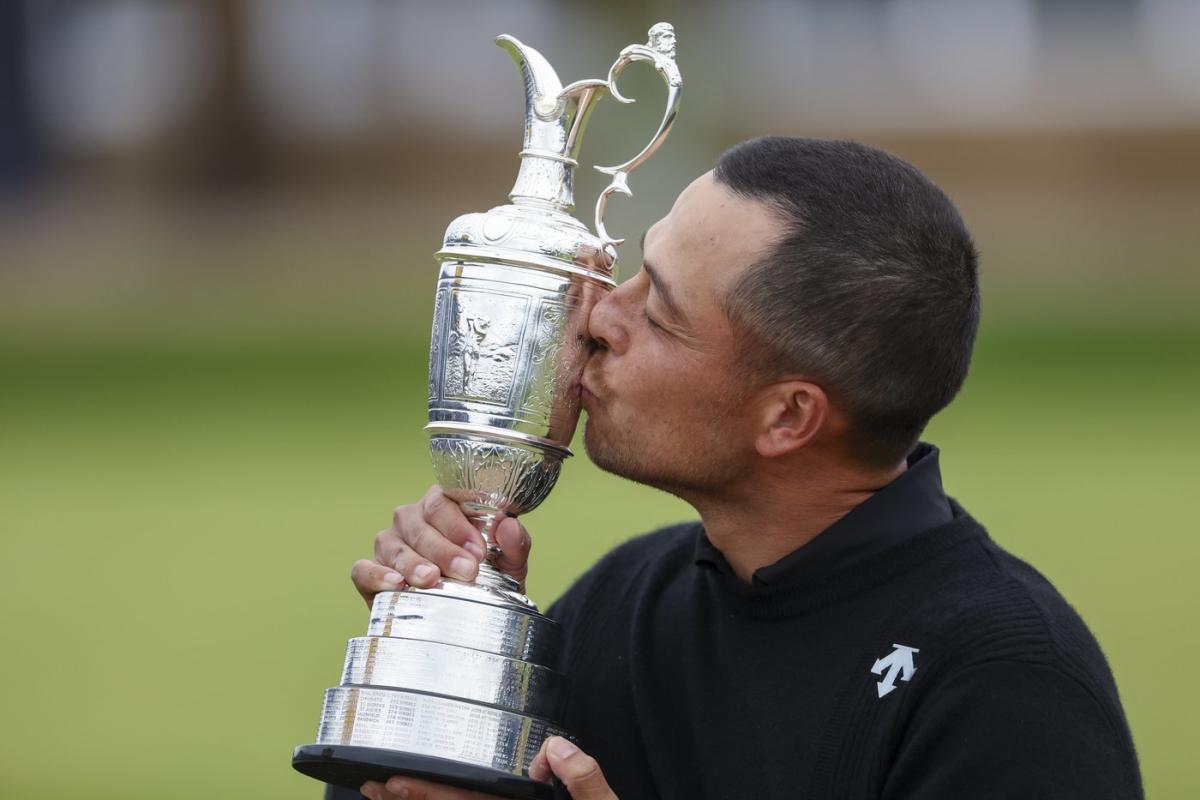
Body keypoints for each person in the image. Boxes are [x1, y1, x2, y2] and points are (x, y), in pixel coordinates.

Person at [348, 138, 1143, 799]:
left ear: (789, 417)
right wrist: (436, 670)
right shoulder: (627, 602)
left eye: (658, 313)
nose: (596, 318)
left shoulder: (1008, 688)